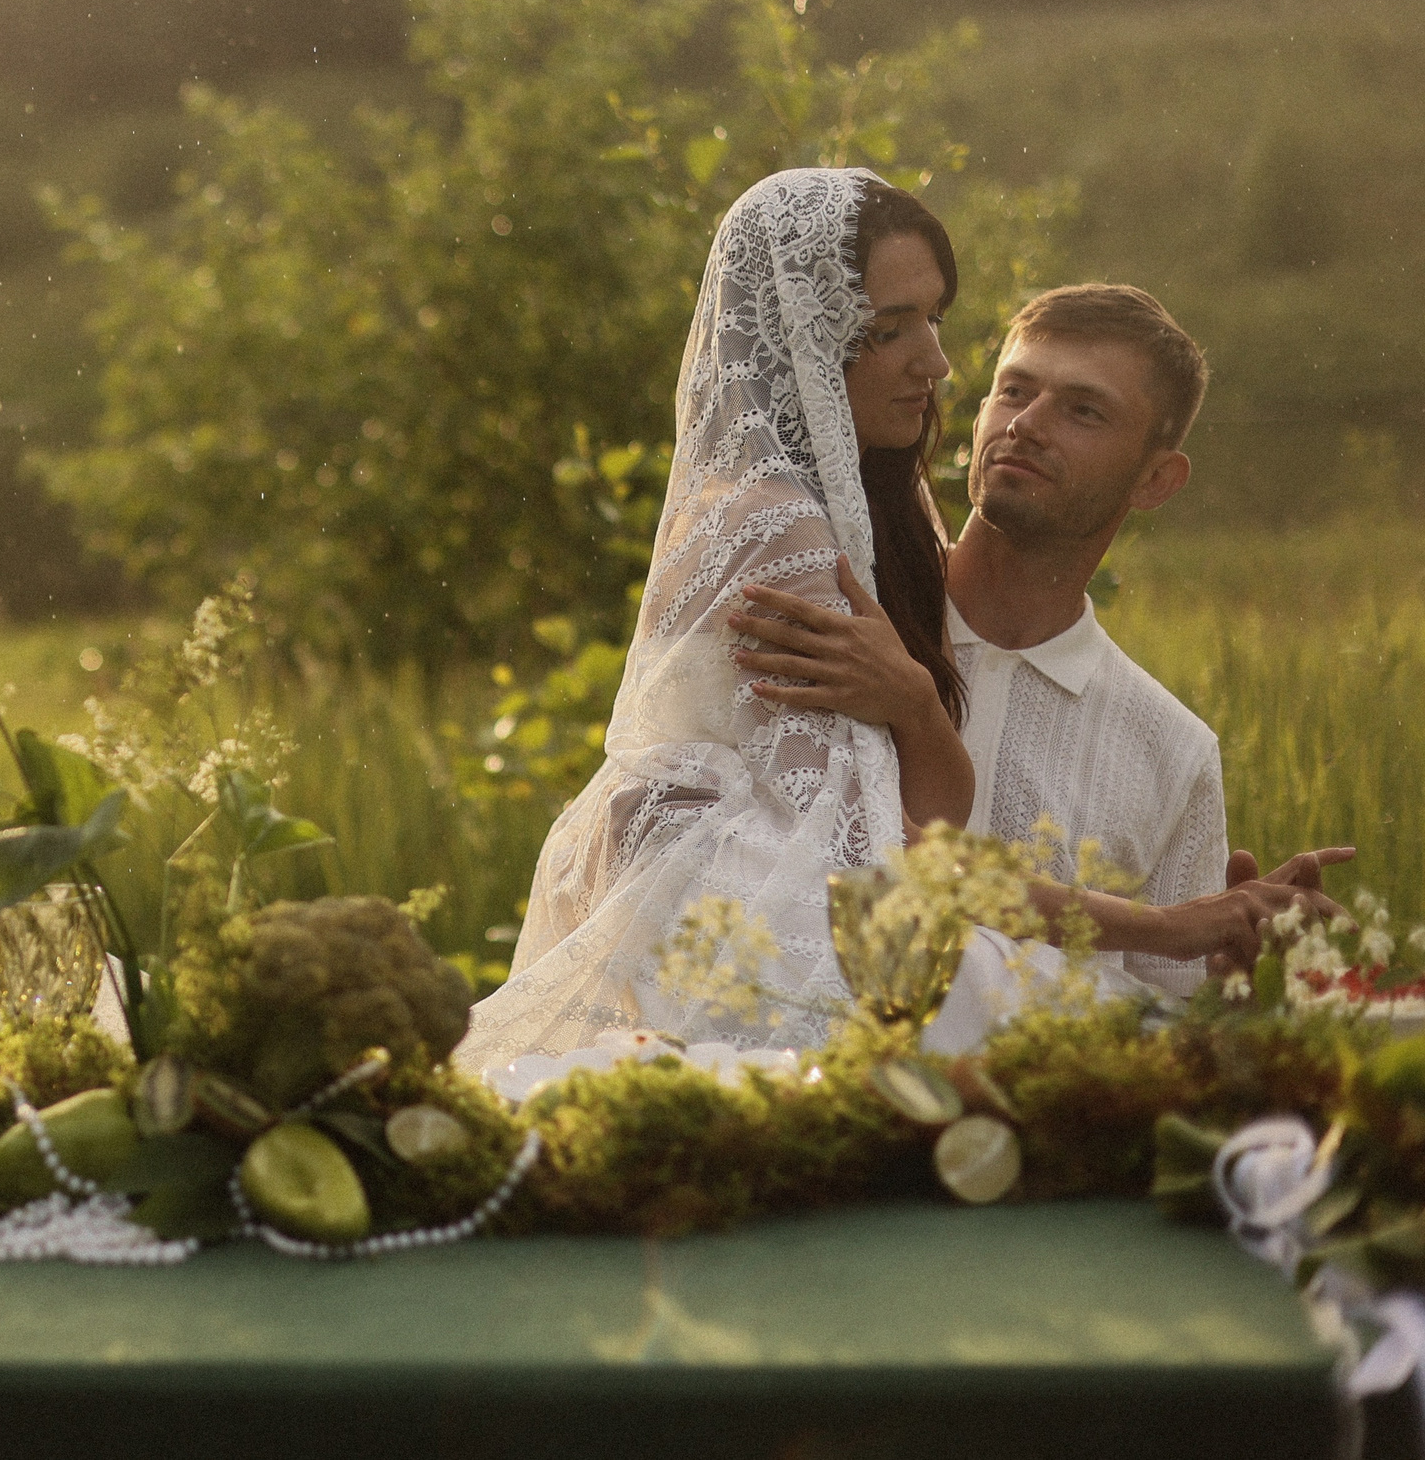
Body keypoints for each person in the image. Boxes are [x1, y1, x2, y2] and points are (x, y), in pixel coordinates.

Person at [725, 282, 1348, 1049]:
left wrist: (1232, 977)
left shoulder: (1173, 751)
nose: (1025, 425)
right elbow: (787, 849)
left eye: (1083, 410)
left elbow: (1171, 1020)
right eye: (1014, 390)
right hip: (778, 1084)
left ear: (1156, 479)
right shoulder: (843, 608)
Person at [457, 166, 973, 1068]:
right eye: (889, 330)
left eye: (935, 319)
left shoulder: (825, 505)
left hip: (702, 932)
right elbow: (887, 853)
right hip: (735, 964)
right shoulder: (783, 527)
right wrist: (920, 707)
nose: (934, 362)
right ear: (800, 341)